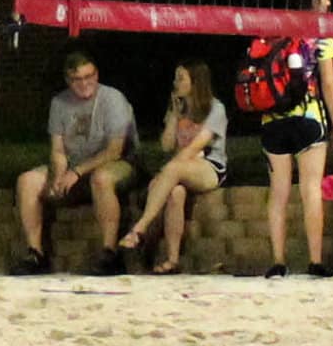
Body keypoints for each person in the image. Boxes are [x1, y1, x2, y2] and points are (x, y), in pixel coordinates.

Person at [14, 51, 135, 275]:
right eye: (77, 79)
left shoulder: (112, 99)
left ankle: (109, 252)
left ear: (96, 74)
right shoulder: (59, 103)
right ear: (68, 80)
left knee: (102, 178)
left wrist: (77, 172)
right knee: (27, 181)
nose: (85, 83)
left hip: (115, 163)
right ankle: (35, 253)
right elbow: (58, 149)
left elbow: (115, 150)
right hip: (75, 166)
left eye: (89, 76)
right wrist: (59, 175)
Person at [259, 0, 333, 278]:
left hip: (273, 119)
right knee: (310, 189)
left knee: (278, 193)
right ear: (313, 1)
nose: (329, 2)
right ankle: (315, 261)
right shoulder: (320, 33)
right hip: (308, 116)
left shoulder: (273, 29)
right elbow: (329, 83)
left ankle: (278, 262)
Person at [114, 58, 224, 274]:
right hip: (179, 168)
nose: (176, 82)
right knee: (175, 193)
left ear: (196, 82)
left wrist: (164, 173)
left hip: (208, 167)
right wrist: (174, 115)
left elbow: (196, 148)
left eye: (181, 78)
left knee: (172, 171)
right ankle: (173, 260)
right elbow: (166, 146)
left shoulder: (215, 108)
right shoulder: (178, 107)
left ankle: (140, 228)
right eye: (176, 77)